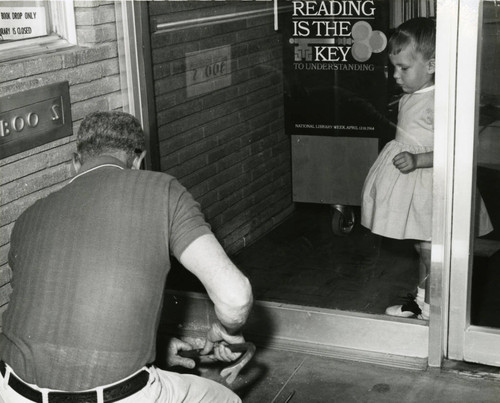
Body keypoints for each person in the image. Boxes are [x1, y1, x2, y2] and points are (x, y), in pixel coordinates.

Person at [0, 111, 253, 402]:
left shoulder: (28, 217)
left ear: (74, 162)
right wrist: (226, 329)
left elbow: (57, 315)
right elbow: (235, 296)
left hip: (12, 391)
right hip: (115, 397)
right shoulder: (163, 191)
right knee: (225, 399)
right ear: (138, 160)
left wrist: (153, 346)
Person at [361, 17, 491, 320]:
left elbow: (455, 147)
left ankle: (434, 308)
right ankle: (421, 301)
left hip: (433, 185)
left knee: (433, 250)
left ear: (431, 65)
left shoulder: (438, 102)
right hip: (417, 187)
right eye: (393, 67)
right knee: (424, 248)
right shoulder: (413, 95)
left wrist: (419, 160)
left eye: (403, 68)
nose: (396, 75)